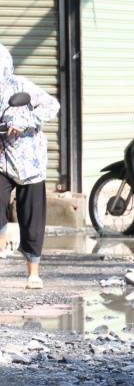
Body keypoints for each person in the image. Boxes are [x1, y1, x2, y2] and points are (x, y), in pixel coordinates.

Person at [0, 43, 60, 289]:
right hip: (2, 160)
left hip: (30, 162)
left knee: (32, 219)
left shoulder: (20, 86)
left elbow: (53, 106)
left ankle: (33, 273)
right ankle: (2, 237)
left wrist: (25, 120)